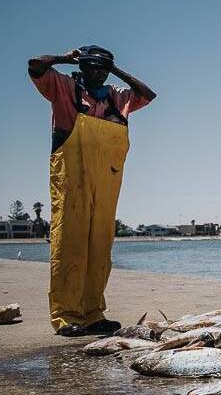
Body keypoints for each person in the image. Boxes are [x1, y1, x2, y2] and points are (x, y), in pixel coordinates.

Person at [28, 45, 156, 336]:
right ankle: (66, 316)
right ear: (82, 67)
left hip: (106, 181)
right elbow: (35, 65)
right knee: (69, 243)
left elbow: (148, 95)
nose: (96, 73)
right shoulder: (63, 87)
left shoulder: (117, 97)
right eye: (91, 67)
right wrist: (66, 58)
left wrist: (115, 70)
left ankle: (93, 314)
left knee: (100, 247)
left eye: (102, 68)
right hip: (71, 176)